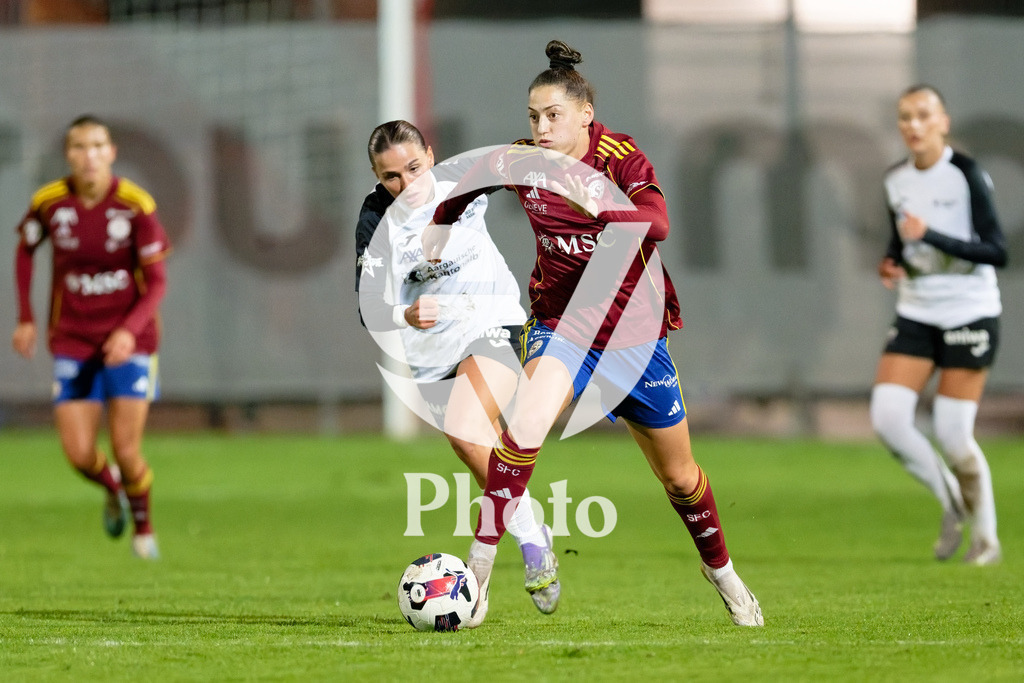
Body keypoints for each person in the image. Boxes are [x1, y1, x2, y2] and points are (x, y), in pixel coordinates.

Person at [424, 40, 763, 627]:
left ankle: (724, 574)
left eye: (553, 115)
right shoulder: (523, 159)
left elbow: (658, 222)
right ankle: (478, 577)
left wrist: (598, 204)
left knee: (681, 478)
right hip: (561, 324)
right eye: (533, 116)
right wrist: (437, 229)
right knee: (526, 424)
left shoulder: (619, 157)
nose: (541, 126)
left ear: (585, 114)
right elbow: (463, 183)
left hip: (633, 334)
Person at [354, 120, 561, 620]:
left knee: (466, 433)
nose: (406, 184)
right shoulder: (374, 218)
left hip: (495, 323)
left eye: (413, 167)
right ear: (377, 179)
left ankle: (531, 544)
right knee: (484, 450)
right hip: (433, 354)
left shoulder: (461, 180)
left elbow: (518, 158)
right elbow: (367, 305)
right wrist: (403, 313)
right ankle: (520, 539)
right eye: (390, 177)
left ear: (431, 153)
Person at [11, 114, 171, 560]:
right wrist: (25, 317)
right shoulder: (49, 202)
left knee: (125, 448)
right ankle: (113, 488)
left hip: (130, 344)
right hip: (74, 340)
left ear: (112, 153)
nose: (89, 156)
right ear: (68, 154)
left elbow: (156, 281)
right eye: (80, 147)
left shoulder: (136, 205)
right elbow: (25, 249)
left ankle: (143, 531)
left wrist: (128, 330)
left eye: (98, 146)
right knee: (81, 454)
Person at [870, 85, 1007, 566]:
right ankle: (952, 500)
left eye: (924, 115)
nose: (914, 125)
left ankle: (986, 537)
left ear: (944, 122)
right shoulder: (896, 180)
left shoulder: (965, 174)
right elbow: (900, 244)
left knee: (953, 434)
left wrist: (932, 235)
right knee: (888, 419)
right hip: (917, 310)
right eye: (905, 116)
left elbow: (997, 251)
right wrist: (892, 262)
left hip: (968, 310)